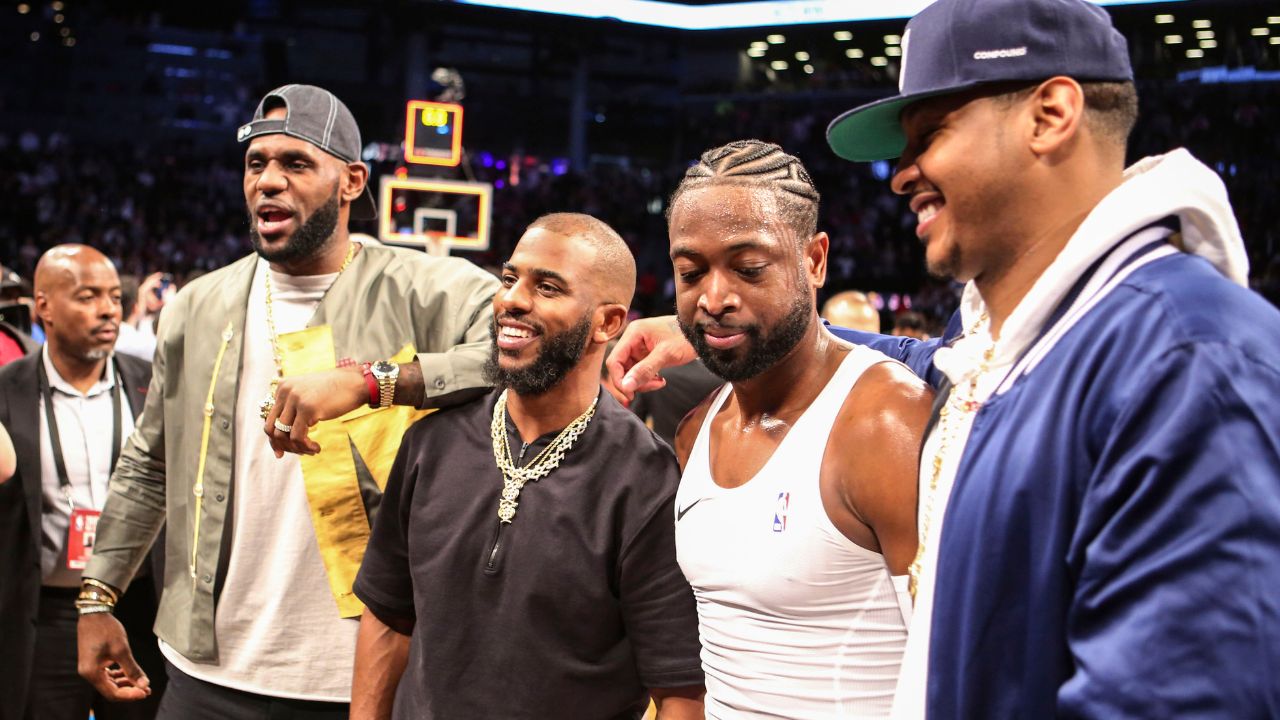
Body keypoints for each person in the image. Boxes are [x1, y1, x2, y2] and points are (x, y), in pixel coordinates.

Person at [613, 0, 1280, 716]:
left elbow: (1188, 699)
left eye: (931, 133)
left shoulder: (1189, 361)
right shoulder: (1018, 350)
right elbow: (937, 358)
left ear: (1050, 114)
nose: (901, 174)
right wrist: (729, 330)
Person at [77, 84, 499, 718]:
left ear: (352, 181)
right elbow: (149, 463)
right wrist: (97, 597)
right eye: (256, 164)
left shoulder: (431, 289)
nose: (268, 181)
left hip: (362, 676)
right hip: (204, 669)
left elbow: (520, 351)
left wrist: (372, 380)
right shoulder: (196, 306)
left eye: (295, 164)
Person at [351, 213, 705, 720]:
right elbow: (387, 619)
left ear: (607, 323)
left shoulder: (647, 481)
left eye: (548, 287)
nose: (512, 299)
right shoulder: (431, 443)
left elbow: (680, 692)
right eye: (510, 278)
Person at [664, 140, 932, 718]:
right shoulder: (695, 431)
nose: (713, 297)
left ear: (814, 261)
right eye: (691, 272)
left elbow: (963, 666)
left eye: (748, 268)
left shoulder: (885, 425)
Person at [0, 245, 165, 720]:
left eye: (114, 296)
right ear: (44, 307)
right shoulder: (6, 390)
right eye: (88, 296)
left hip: (135, 609)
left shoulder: (153, 384)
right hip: (45, 612)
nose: (108, 309)